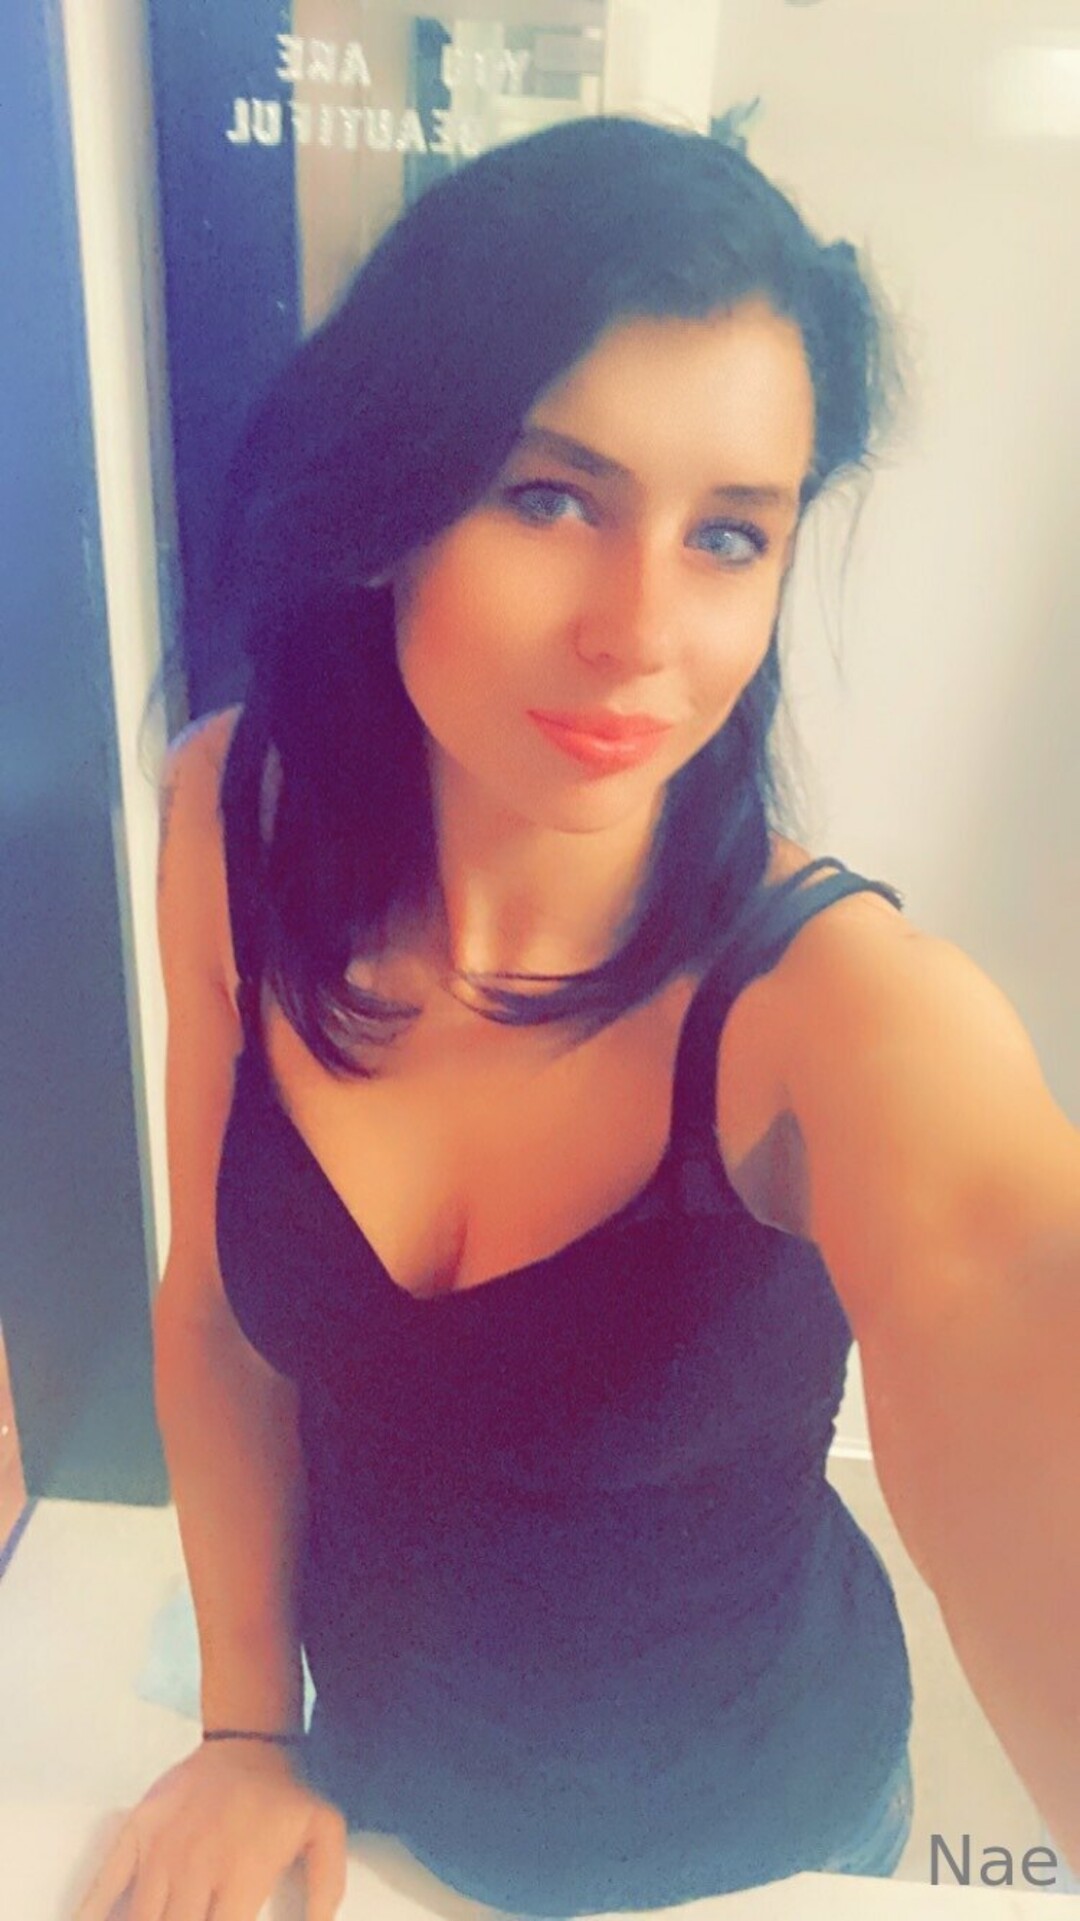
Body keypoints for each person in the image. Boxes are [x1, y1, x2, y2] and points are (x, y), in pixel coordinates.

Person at [74, 116, 1079, 1921]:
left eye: (729, 536)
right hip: (381, 1813)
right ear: (392, 499)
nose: (641, 630)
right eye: (550, 498)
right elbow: (219, 1318)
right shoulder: (236, 817)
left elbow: (1021, 1311)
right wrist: (243, 1727)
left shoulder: (845, 1014)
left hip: (761, 1857)